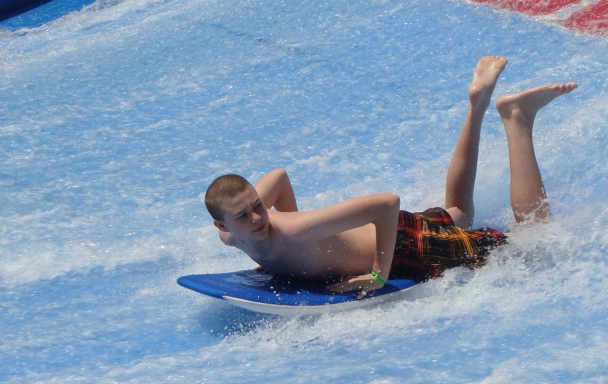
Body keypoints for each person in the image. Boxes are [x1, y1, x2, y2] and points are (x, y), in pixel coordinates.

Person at [205, 56, 576, 296]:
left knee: (537, 241)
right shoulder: (234, 238)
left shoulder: (293, 230)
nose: (257, 217)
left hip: (406, 248)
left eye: (257, 205)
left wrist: (378, 275)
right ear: (221, 227)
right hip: (400, 232)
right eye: (243, 215)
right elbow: (280, 177)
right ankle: (477, 102)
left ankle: (518, 119)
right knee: (458, 211)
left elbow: (386, 203)